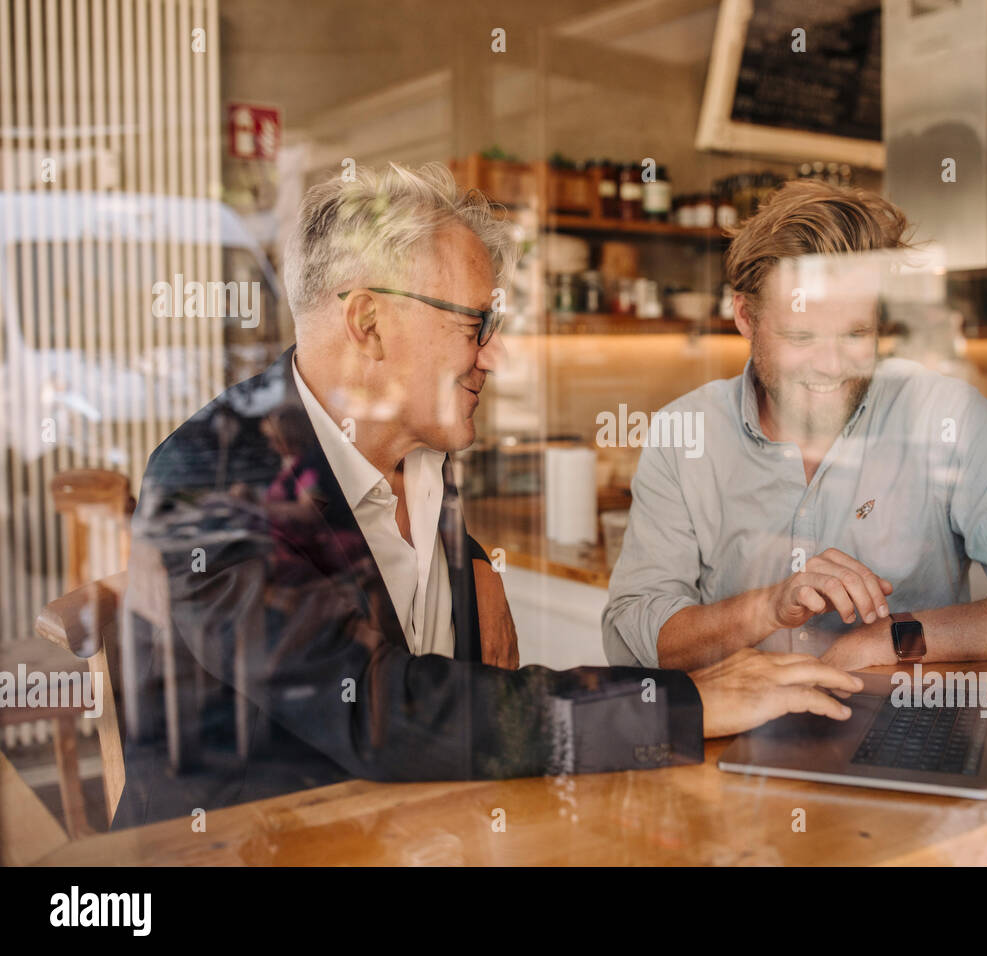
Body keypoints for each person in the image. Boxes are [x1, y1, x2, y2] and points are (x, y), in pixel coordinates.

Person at [112, 163, 863, 828]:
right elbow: (381, 709)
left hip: (418, 831)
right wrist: (684, 702)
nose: (495, 354)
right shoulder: (207, 481)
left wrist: (474, 560)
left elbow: (377, 573)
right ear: (369, 323)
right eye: (477, 323)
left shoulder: (421, 450)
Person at [602, 179, 987, 672]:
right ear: (744, 316)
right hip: (731, 748)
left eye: (855, 334)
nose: (831, 365)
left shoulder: (947, 419)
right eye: (801, 336)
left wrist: (891, 639)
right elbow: (633, 636)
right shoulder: (684, 435)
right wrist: (767, 608)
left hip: (904, 743)